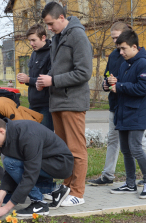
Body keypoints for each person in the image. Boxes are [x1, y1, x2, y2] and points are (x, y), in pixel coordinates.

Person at [87, 22, 146, 187]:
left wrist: (119, 85)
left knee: (137, 144)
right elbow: (109, 75)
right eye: (113, 39)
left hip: (133, 109)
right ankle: (113, 177)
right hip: (117, 107)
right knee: (118, 143)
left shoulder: (141, 60)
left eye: (118, 39)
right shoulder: (115, 56)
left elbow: (142, 86)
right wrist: (107, 83)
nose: (115, 43)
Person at [37, 2, 92, 207]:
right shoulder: (59, 37)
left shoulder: (77, 36)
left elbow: (84, 72)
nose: (49, 28)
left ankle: (78, 192)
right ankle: (66, 188)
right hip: (58, 102)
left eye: (51, 24)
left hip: (73, 102)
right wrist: (46, 80)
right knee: (64, 150)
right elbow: (58, 69)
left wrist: (54, 81)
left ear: (61, 18)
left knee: (76, 149)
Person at [0, 115, 73, 218]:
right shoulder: (8, 136)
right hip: (45, 161)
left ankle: (39, 204)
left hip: (61, 164)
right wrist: (0, 198)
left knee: (11, 163)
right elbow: (10, 173)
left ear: (1, 131)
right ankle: (54, 190)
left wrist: (6, 208)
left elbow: (30, 175)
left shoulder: (27, 136)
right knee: (10, 163)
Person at [108, 29, 146, 199]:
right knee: (126, 150)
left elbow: (144, 88)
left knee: (136, 148)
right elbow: (122, 84)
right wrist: (112, 84)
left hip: (137, 114)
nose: (121, 53)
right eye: (119, 49)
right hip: (123, 113)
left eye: (123, 49)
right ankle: (130, 184)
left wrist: (120, 87)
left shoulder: (144, 64)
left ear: (134, 47)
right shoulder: (125, 64)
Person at [17, 24, 54, 131]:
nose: (31, 44)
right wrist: (26, 79)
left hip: (45, 106)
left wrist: (28, 79)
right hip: (33, 104)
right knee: (32, 137)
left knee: (45, 139)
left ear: (43, 38)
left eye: (33, 40)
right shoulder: (34, 54)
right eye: (29, 40)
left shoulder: (51, 53)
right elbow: (34, 78)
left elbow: (49, 79)